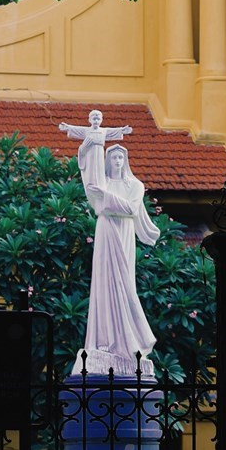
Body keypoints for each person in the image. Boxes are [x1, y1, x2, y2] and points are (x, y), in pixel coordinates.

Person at [69, 140, 161, 377]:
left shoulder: (135, 185)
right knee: (103, 284)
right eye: (113, 158)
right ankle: (103, 342)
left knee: (124, 285)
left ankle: (131, 342)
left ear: (125, 161)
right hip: (106, 230)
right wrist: (88, 147)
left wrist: (107, 198)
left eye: (120, 158)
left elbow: (131, 209)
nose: (117, 161)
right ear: (107, 161)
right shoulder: (102, 182)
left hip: (124, 233)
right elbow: (90, 184)